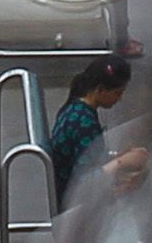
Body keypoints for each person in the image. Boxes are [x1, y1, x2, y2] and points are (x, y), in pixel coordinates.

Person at [44, 56, 132, 198]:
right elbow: (85, 181)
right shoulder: (84, 122)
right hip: (72, 202)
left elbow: (86, 158)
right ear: (100, 90)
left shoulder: (74, 109)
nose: (119, 99)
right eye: (117, 93)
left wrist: (117, 157)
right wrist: (120, 163)